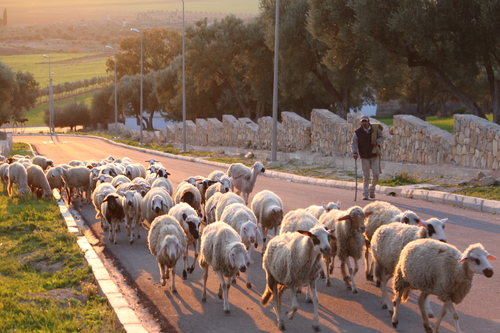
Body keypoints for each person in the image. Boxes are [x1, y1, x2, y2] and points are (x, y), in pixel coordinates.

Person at [351, 115, 384, 200]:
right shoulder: (357, 132)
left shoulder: (376, 129)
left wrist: (377, 142)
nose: (364, 123)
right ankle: (365, 194)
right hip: (364, 156)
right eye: (362, 121)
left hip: (374, 154)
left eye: (365, 121)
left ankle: (372, 189)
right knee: (366, 175)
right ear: (360, 123)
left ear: (368, 121)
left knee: (376, 174)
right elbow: (354, 143)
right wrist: (354, 152)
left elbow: (381, 137)